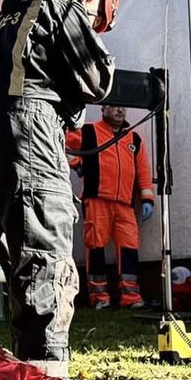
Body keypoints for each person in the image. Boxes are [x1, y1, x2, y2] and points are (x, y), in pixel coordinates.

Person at [0, 0, 119, 380]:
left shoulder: (6, 14)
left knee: (22, 263)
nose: (91, 25)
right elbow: (97, 79)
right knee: (47, 262)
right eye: (96, 20)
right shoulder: (61, 5)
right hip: (30, 127)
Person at [66, 105, 155, 309]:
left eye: (122, 107)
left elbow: (142, 171)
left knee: (129, 248)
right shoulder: (88, 131)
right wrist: (75, 164)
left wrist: (147, 199)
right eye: (114, 107)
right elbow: (59, 139)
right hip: (96, 199)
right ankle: (99, 297)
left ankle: (131, 297)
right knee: (95, 247)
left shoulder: (134, 139)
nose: (119, 111)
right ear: (103, 109)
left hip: (125, 204)